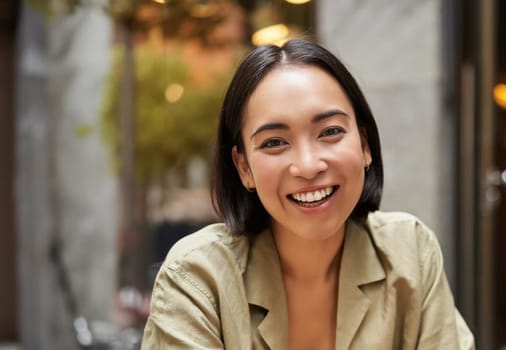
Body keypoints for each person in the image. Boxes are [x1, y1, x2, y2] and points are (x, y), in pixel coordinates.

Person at [142, 39, 474, 349]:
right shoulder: (197, 277)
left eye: (330, 132)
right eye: (274, 142)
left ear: (365, 144)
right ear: (243, 168)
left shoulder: (410, 252)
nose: (307, 165)